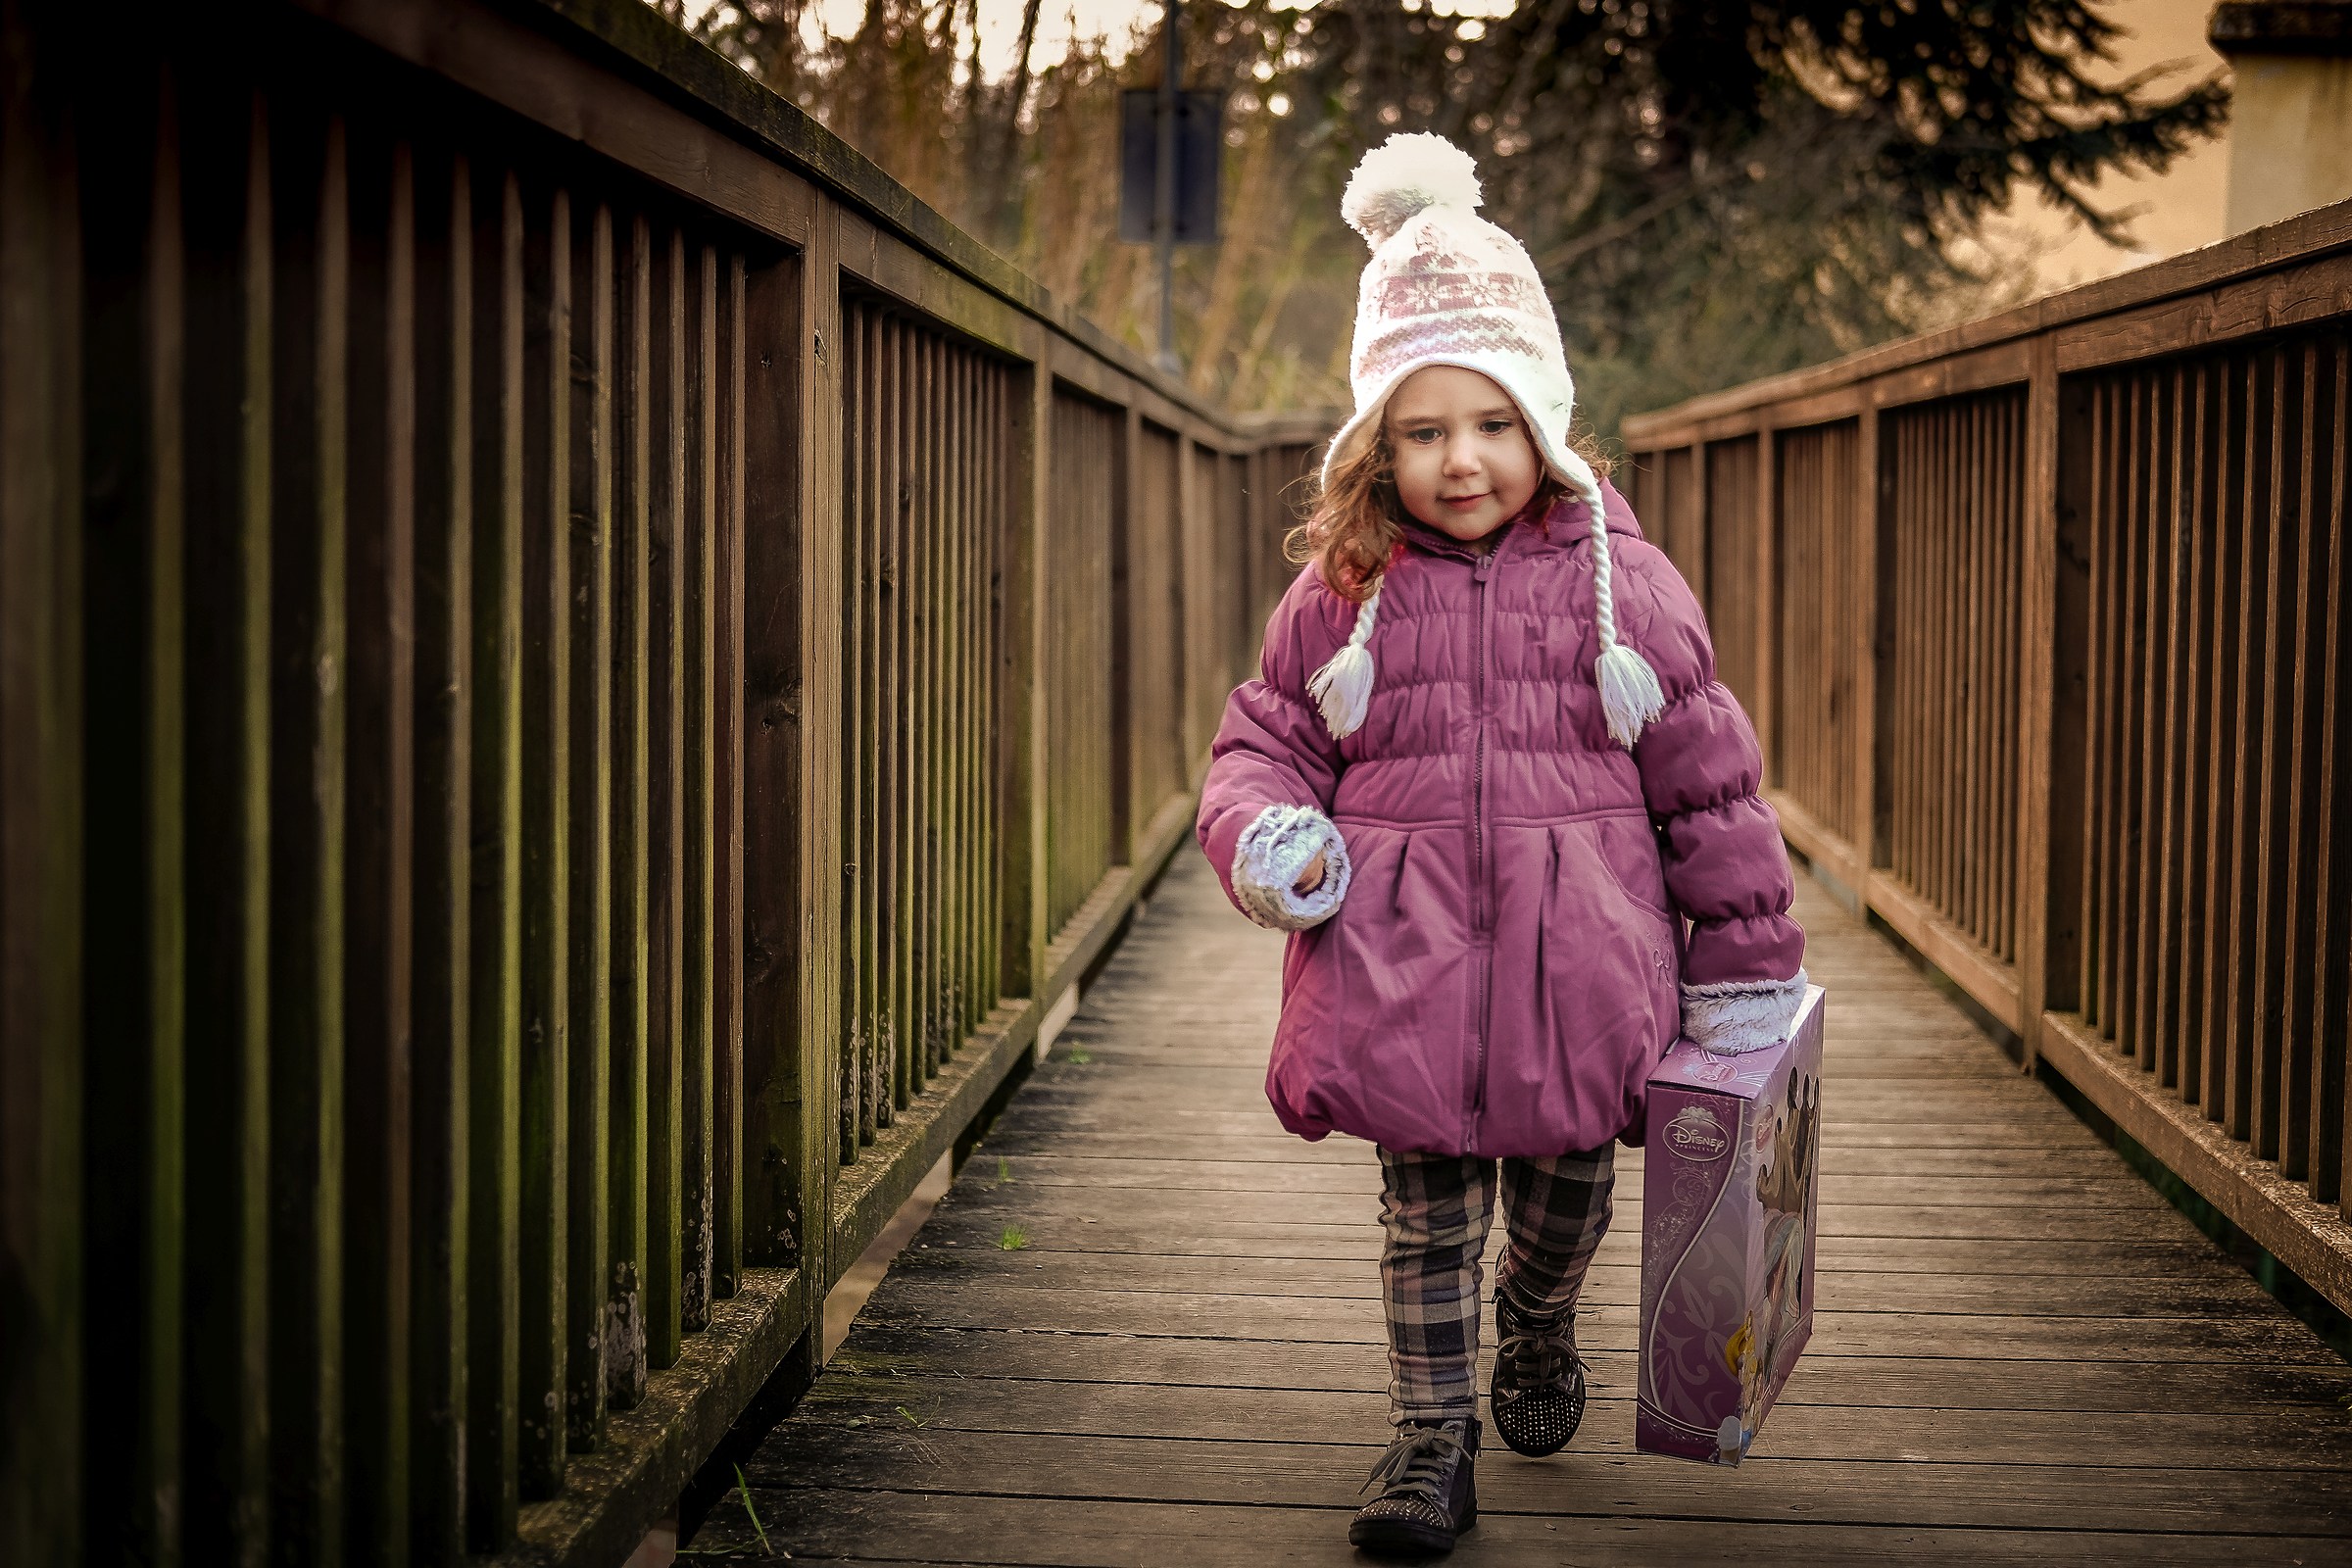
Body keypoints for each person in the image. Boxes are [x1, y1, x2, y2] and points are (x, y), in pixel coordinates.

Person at [1195, 132, 1808, 1557]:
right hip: (1396, 964)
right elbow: (1266, 736)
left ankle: (1538, 1319)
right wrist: (1266, 827)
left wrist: (1744, 977)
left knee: (1567, 1202)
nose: (1459, 459)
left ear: (1544, 422)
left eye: (1489, 422)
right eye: (1419, 432)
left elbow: (1710, 796)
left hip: (1578, 970)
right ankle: (1426, 1443)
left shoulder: (1626, 592)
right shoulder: (1342, 593)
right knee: (1423, 1219)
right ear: (1374, 449)